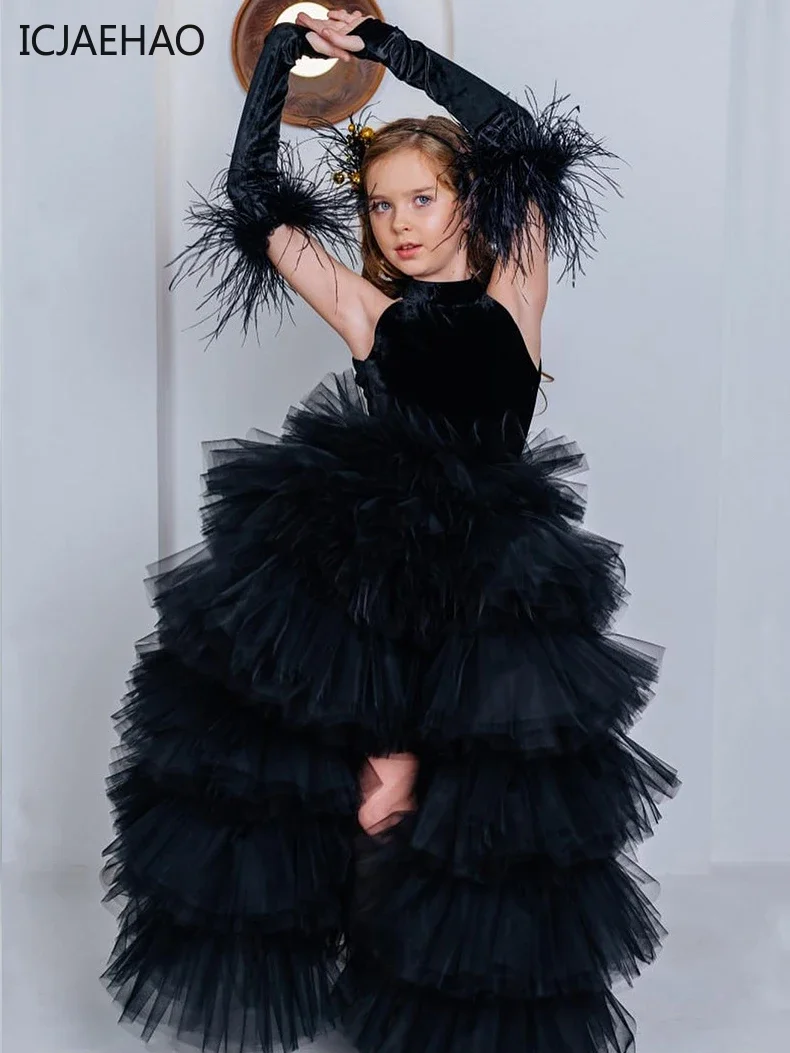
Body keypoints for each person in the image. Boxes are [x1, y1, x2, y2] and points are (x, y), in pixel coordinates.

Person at [100, 10, 679, 1053]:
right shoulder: (371, 311)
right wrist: (281, 58)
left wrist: (387, 49)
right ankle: (374, 989)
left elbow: (520, 140)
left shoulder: (516, 288)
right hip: (375, 579)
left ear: (468, 202)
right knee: (369, 798)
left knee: (483, 811)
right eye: (380, 204)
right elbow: (253, 200)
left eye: (423, 199)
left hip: (496, 585)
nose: (402, 224)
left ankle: (451, 1013)